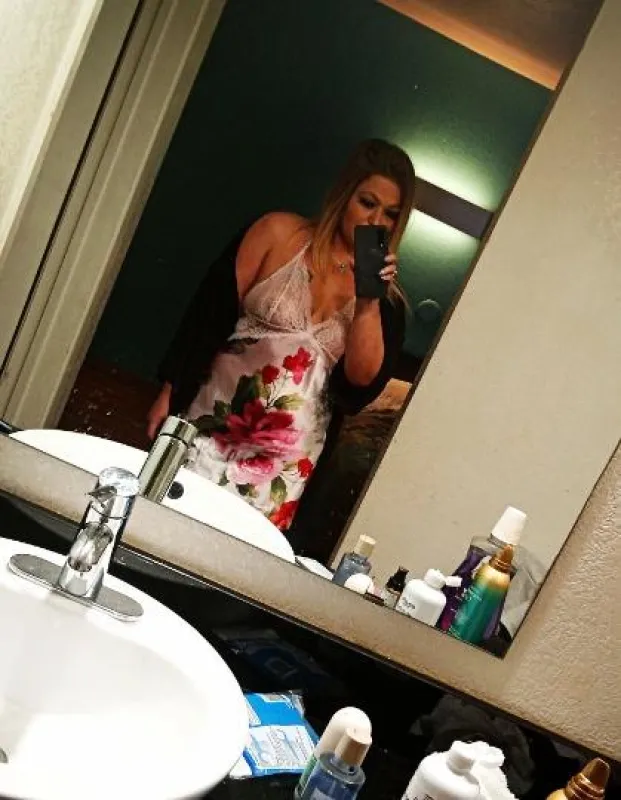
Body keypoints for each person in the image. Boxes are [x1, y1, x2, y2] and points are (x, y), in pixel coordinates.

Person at [147, 139, 415, 536]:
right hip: (209, 423)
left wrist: (367, 304)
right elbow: (207, 315)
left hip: (282, 465)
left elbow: (359, 386)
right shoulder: (278, 233)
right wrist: (169, 389)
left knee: (234, 555)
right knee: (159, 526)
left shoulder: (386, 304)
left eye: (391, 214)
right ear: (344, 194)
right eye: (367, 203)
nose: (376, 220)